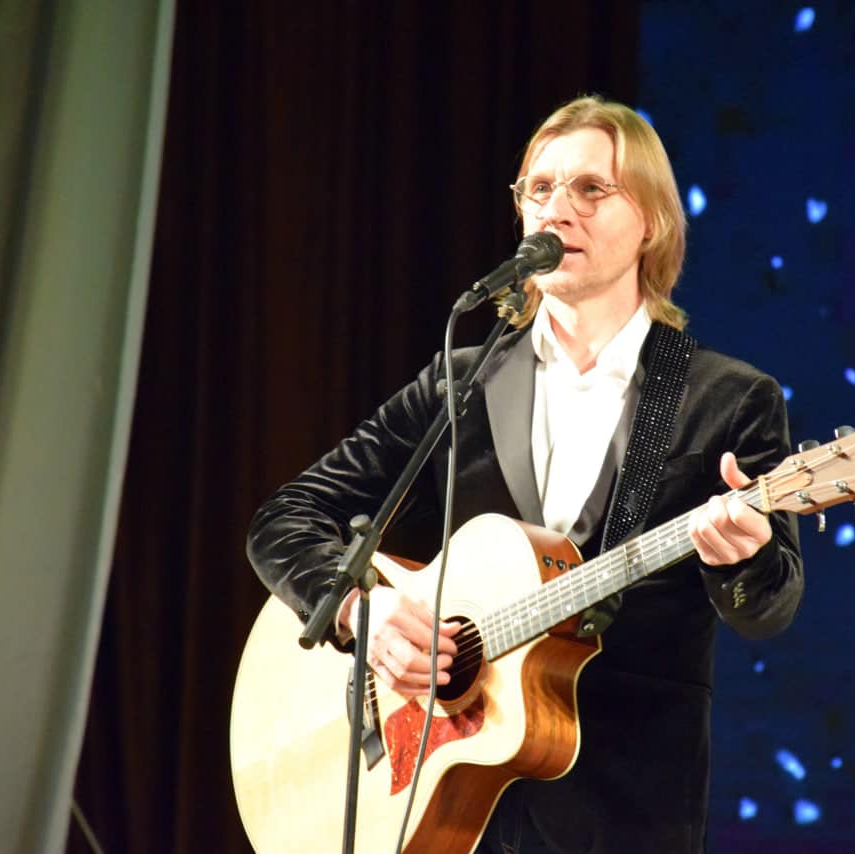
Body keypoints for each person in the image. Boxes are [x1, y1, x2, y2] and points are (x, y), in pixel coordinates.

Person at [246, 95, 803, 853]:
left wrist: (745, 557)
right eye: (539, 189)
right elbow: (285, 519)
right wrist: (360, 612)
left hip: (621, 811)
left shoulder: (729, 398)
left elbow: (768, 607)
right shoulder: (462, 382)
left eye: (591, 188)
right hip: (449, 807)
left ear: (652, 221)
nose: (558, 209)